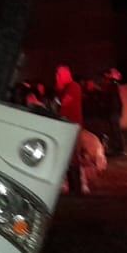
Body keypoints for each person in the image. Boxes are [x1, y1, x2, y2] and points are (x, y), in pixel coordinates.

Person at [54, 65, 87, 194]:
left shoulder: (73, 87)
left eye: (59, 75)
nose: (57, 77)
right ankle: (74, 188)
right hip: (70, 127)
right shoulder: (68, 89)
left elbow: (64, 107)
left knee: (72, 158)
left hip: (72, 128)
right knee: (70, 158)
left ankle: (76, 189)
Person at [103, 68, 126, 156]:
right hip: (114, 111)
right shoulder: (113, 85)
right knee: (115, 131)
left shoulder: (113, 85)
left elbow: (113, 100)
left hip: (113, 111)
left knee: (115, 131)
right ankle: (118, 148)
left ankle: (118, 149)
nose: (105, 76)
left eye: (107, 74)